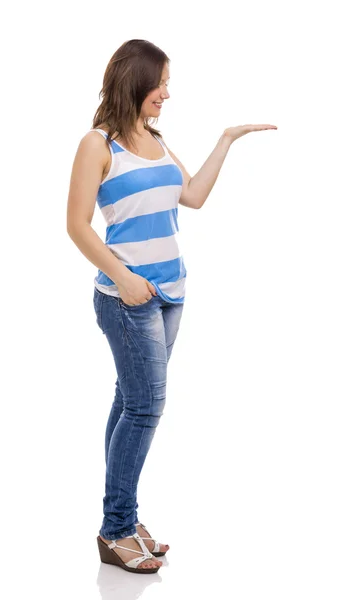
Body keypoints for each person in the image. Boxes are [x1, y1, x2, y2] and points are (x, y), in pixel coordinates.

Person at [66, 39, 277, 574]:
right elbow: (75, 225)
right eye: (158, 82)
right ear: (133, 82)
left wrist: (226, 141)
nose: (166, 93)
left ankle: (123, 516)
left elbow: (194, 195)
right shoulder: (99, 144)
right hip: (127, 298)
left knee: (130, 401)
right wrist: (125, 278)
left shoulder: (155, 140)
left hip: (171, 294)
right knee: (145, 407)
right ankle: (116, 529)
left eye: (166, 83)